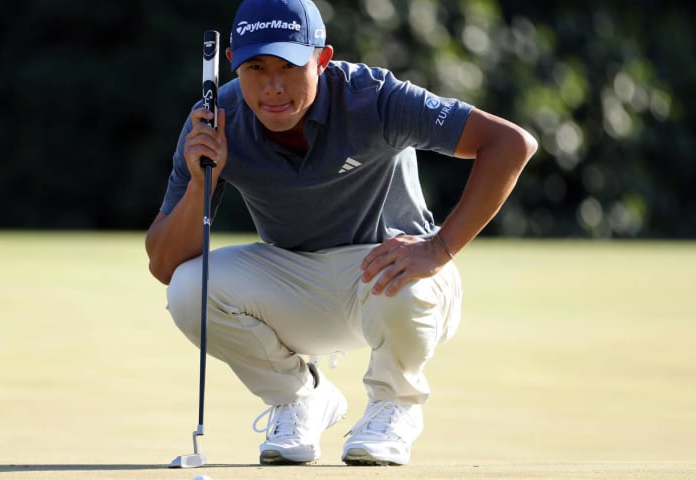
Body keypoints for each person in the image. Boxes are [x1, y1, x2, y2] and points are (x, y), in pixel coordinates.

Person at [146, 0, 537, 467]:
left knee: (402, 281)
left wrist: (438, 248)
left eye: (290, 67)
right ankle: (300, 399)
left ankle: (394, 407)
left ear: (322, 59)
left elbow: (511, 143)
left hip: (396, 275)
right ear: (232, 63)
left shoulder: (372, 97)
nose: (272, 87)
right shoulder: (215, 119)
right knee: (190, 288)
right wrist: (199, 180)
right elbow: (165, 265)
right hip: (297, 284)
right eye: (256, 67)